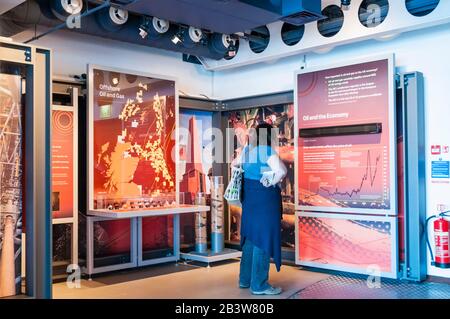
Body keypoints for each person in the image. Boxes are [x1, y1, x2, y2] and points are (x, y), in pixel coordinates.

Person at [232, 122, 287, 295]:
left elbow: (235, 164)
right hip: (265, 201)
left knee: (250, 239)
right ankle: (259, 285)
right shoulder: (266, 151)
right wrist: (269, 181)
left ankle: (245, 279)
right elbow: (282, 171)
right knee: (263, 240)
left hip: (250, 200)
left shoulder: (248, 151)